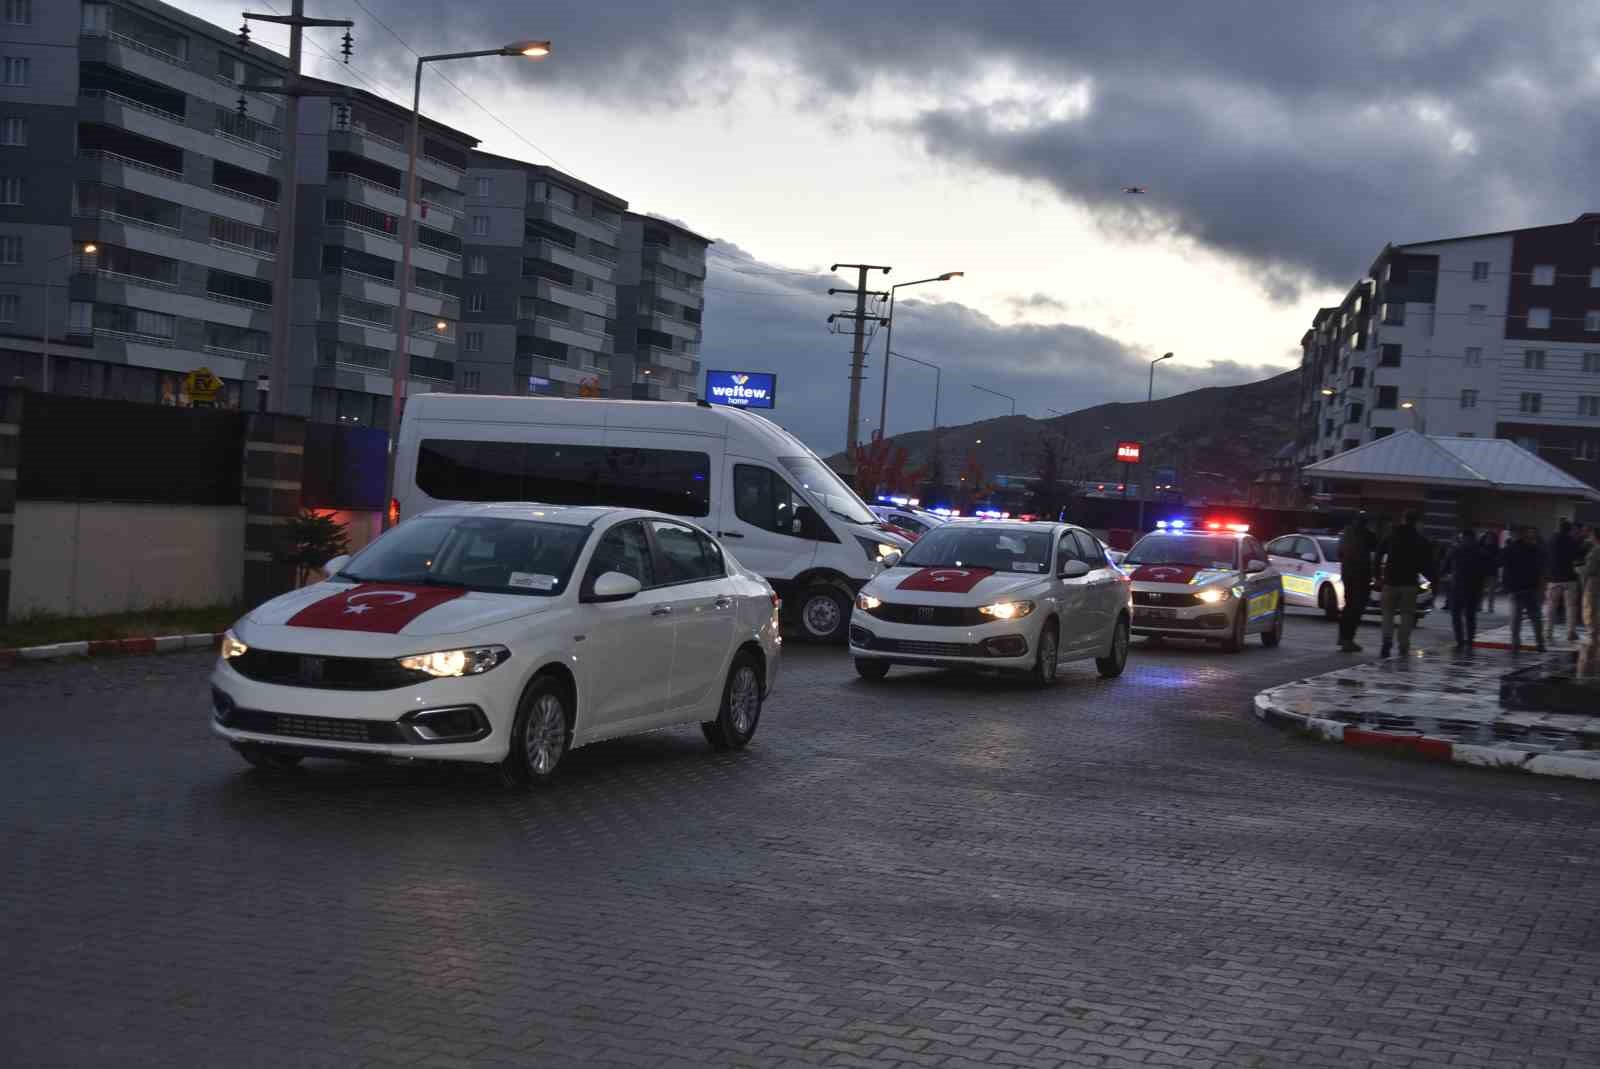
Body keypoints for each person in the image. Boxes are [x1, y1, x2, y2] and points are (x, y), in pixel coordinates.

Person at [1376, 509, 1434, 658]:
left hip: (1390, 580)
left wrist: (1377, 575)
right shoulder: (1420, 539)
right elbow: (1427, 562)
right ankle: (1403, 645)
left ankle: (1386, 641)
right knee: (1407, 615)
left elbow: (1378, 555)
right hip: (1409, 582)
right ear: (1416, 522)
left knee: (1387, 614)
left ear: (1403, 519)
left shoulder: (1391, 535)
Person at [1502, 525, 1548, 654]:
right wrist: (1541, 585)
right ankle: (1540, 643)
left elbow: (1500, 562)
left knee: (1516, 618)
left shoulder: (1509, 548)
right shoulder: (1535, 548)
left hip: (1516, 588)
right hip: (1531, 588)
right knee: (1535, 617)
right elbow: (1542, 566)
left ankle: (1515, 644)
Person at [1337, 512, 1376, 653]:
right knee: (1356, 608)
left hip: (1348, 574)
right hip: (1360, 576)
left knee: (1349, 606)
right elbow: (1376, 547)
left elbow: (1340, 553)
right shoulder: (1366, 535)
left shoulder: (1345, 534)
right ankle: (1348, 639)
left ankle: (1343, 637)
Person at [1447, 529, 1490, 649]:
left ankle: (1460, 641)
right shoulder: (1481, 552)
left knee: (1456, 615)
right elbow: (1486, 570)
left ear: (1463, 538)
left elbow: (1445, 565)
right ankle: (1470, 640)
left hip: (1457, 587)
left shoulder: (1456, 550)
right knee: (1470, 616)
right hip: (1473, 588)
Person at [1546, 519, 1583, 643]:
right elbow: (1578, 557)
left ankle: (1548, 632)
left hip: (1553, 578)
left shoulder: (1551, 540)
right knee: (1571, 607)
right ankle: (1570, 632)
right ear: (1569, 530)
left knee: (1551, 606)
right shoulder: (1572, 541)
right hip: (1569, 578)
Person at [1478, 530, 1502, 613]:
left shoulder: (1496, 548)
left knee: (1491, 592)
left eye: (1491, 538)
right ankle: (1479, 606)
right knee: (1480, 590)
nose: (1489, 539)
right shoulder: (1480, 547)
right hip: (1482, 571)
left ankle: (1490, 607)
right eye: (1488, 537)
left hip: (1492, 571)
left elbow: (1499, 561)